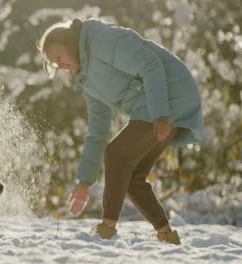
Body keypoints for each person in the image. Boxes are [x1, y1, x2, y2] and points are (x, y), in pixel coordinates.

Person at [37, 18, 203, 245]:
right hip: (158, 105)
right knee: (132, 175)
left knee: (116, 155)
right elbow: (98, 131)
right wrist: (84, 181)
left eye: (58, 57)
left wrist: (161, 114)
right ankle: (166, 234)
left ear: (70, 42)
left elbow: (150, 65)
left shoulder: (103, 40)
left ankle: (106, 230)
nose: (60, 66)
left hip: (171, 94)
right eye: (54, 65)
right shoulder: (87, 79)